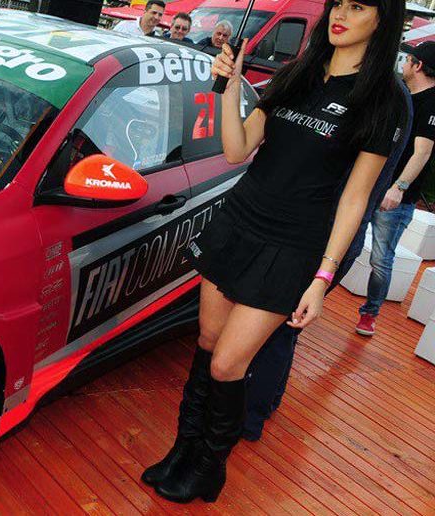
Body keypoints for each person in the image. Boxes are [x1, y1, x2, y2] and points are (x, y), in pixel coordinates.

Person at [142, 0, 406, 504]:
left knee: (227, 364)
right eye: (338, 3)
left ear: (382, 19)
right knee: (207, 343)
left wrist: (323, 278)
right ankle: (183, 451)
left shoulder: (382, 100)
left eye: (357, 6)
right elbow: (237, 149)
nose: (341, 14)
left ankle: (210, 467)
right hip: (239, 222)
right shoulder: (297, 74)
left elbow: (355, 199)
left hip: (293, 246)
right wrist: (230, 87)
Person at [243, 77, 413, 442]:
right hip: (332, 230)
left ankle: (251, 417)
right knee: (286, 326)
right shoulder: (392, 95)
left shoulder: (383, 96)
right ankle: (263, 405)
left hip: (327, 233)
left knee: (279, 326)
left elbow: (352, 183)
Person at [355, 41, 435, 336]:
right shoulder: (400, 95)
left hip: (395, 198)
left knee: (380, 258)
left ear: (418, 66)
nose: (403, 63)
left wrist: (398, 188)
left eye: (408, 59)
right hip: (369, 185)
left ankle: (369, 314)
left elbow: (422, 152)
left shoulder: (431, 103)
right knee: (345, 243)